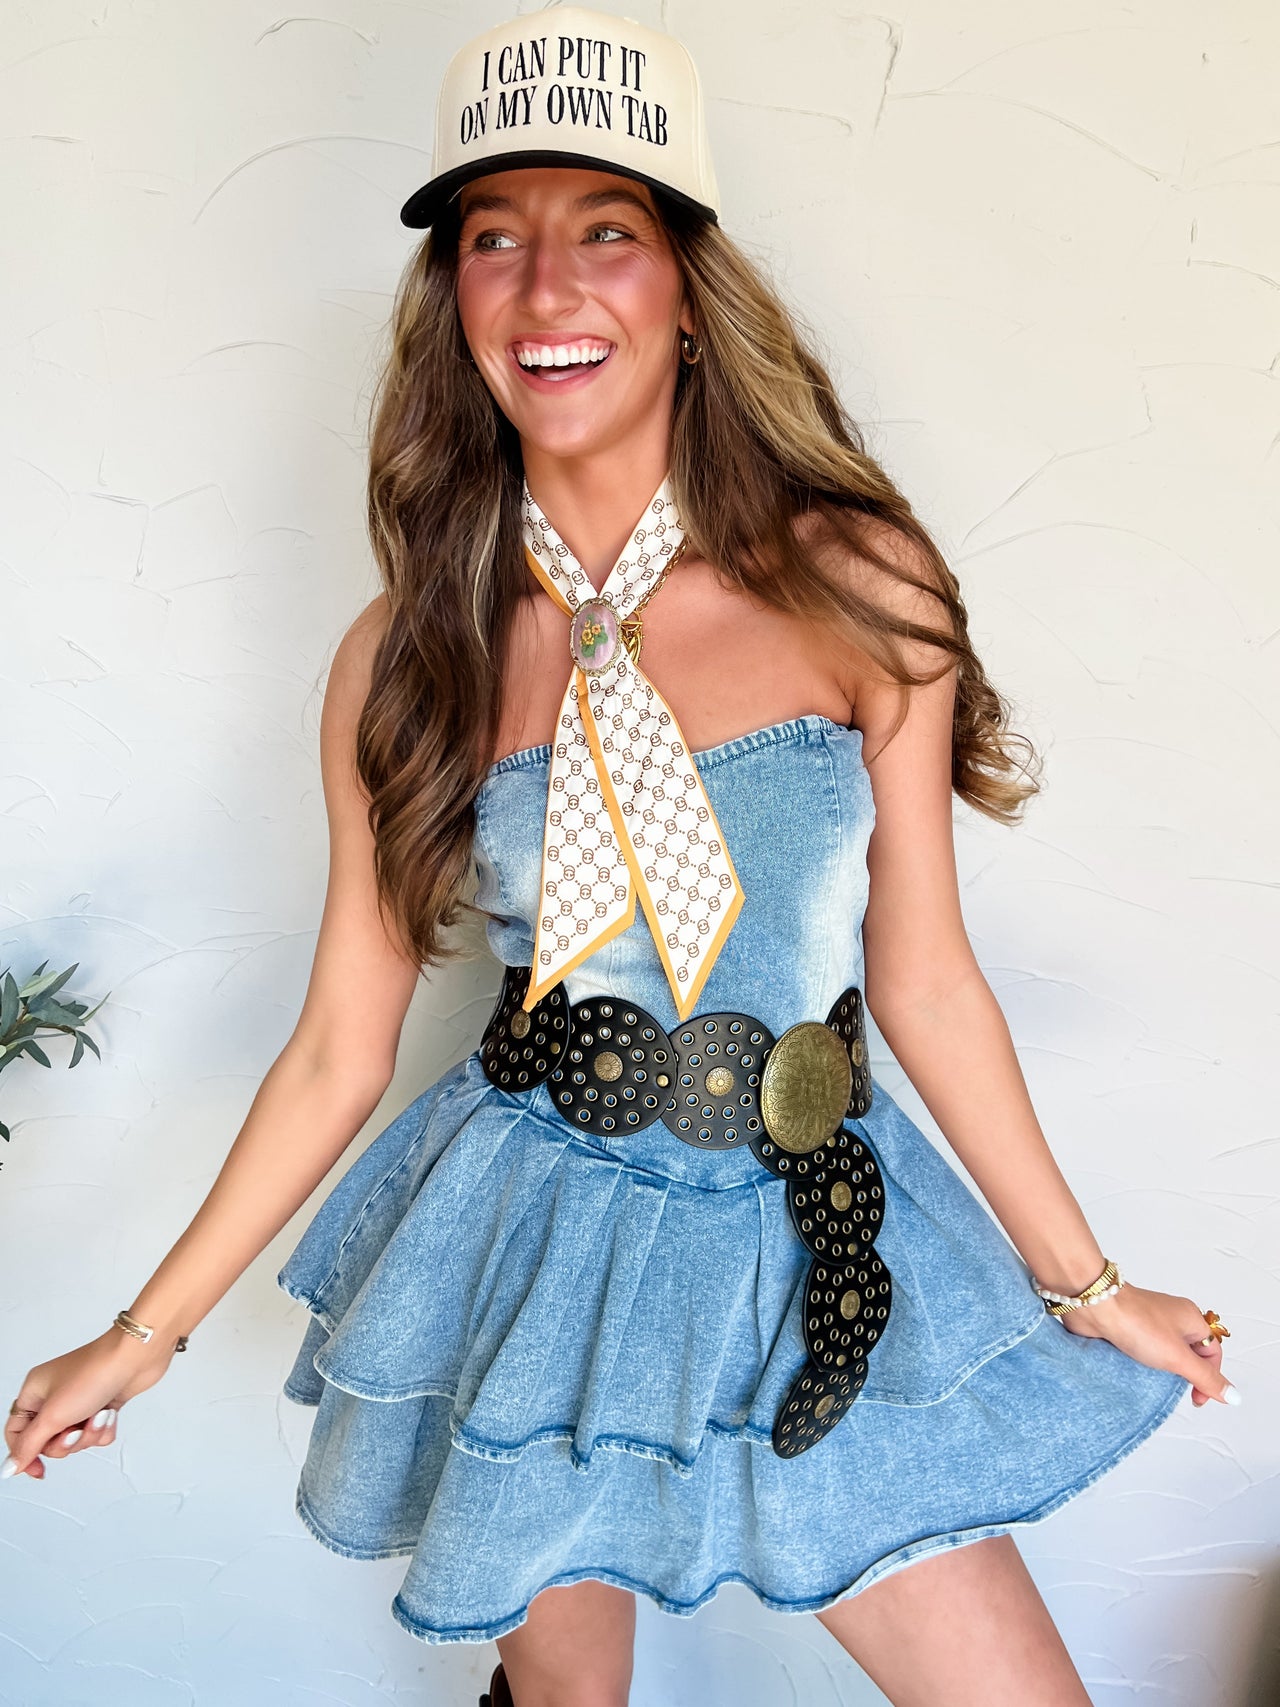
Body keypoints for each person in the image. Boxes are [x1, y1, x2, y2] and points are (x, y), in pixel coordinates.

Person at [3, 8, 1239, 1705]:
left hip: (813, 1214)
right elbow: (339, 1048)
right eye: (491, 239)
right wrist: (141, 1335)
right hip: (539, 1229)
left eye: (606, 232)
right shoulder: (406, 657)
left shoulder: (859, 582)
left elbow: (929, 982)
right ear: (452, 299)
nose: (545, 287)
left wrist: (1084, 1282)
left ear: (688, 291)